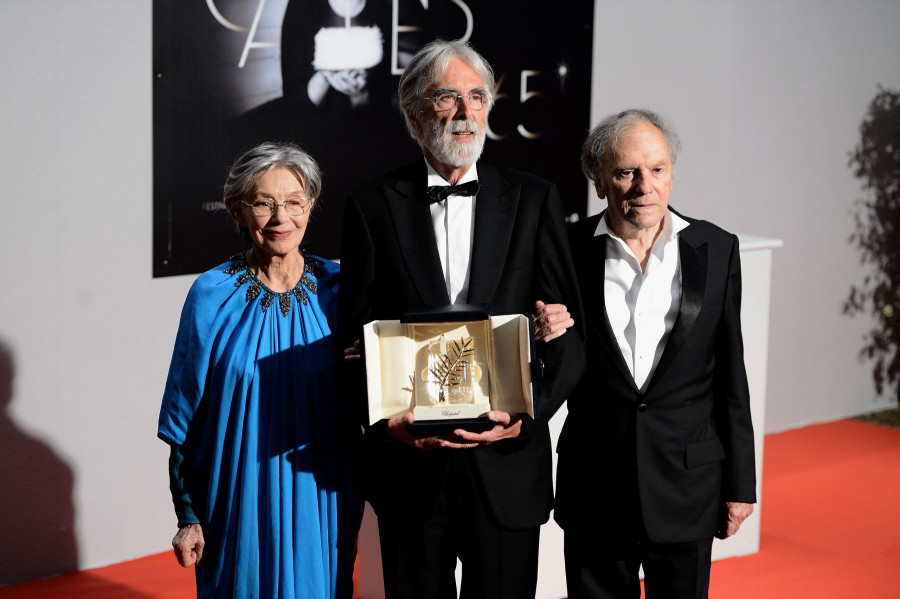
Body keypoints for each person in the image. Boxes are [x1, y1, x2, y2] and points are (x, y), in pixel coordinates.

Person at [338, 39, 584, 599]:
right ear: (413, 112)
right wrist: (386, 425)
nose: (467, 111)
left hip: (507, 464)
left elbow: (571, 339)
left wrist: (528, 416)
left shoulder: (534, 198)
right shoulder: (372, 205)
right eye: (447, 97)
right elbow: (350, 345)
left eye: (477, 96)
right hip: (410, 471)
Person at [548, 109, 756, 599]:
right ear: (599, 182)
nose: (645, 185)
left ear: (671, 174)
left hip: (687, 484)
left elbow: (731, 374)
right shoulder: (566, 250)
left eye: (657, 169)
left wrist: (741, 483)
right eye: (626, 172)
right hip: (595, 487)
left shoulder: (716, 248)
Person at [157, 142, 359, 598]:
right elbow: (184, 417)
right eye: (264, 203)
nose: (280, 217)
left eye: (293, 202)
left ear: (311, 206)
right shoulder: (210, 294)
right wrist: (188, 515)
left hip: (322, 493)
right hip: (236, 497)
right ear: (238, 210)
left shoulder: (340, 289)